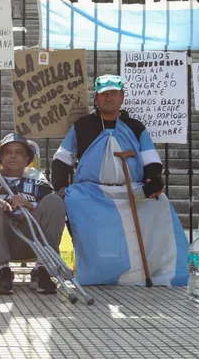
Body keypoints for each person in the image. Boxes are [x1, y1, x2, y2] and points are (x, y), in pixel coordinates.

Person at [51, 74, 188, 286]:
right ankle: (95, 269)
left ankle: (154, 267)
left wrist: (153, 179)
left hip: (130, 189)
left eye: (114, 93)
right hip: (92, 192)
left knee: (160, 204)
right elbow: (62, 158)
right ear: (96, 99)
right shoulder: (82, 125)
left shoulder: (135, 127)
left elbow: (150, 157)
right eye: (104, 94)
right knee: (74, 200)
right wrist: (60, 185)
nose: (109, 98)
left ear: (122, 97)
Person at [0, 133, 66, 295]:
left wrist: (30, 205)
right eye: (8, 152)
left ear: (27, 159)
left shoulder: (38, 179)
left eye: (19, 152)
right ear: (1, 158)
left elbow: (51, 208)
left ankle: (42, 270)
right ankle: (3, 271)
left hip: (31, 239)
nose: (13, 156)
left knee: (55, 201)